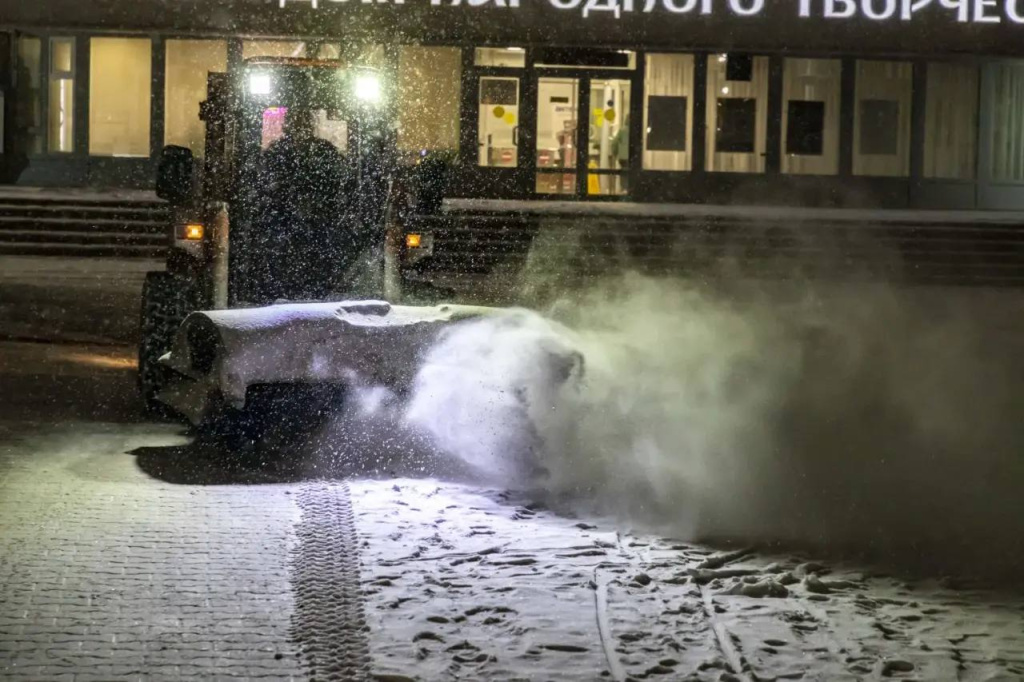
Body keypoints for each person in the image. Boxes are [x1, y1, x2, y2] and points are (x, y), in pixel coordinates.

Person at [251, 107, 352, 303]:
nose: (298, 127)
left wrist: (316, 204)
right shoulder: (277, 152)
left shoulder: (324, 152)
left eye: (302, 122)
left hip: (317, 220)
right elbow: (263, 185)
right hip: (285, 219)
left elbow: (341, 184)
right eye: (294, 122)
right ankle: (283, 292)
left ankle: (314, 291)